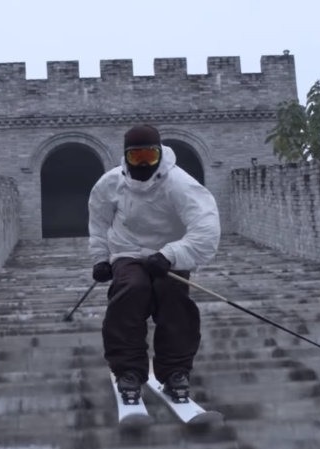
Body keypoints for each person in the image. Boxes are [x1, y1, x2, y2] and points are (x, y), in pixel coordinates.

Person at [86, 124, 221, 404]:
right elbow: (98, 222)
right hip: (128, 251)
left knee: (172, 295)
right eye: (137, 157)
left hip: (169, 254)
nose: (144, 163)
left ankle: (175, 371)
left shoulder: (179, 183)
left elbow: (206, 228)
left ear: (160, 155)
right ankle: (128, 370)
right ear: (126, 157)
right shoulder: (111, 183)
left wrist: (171, 254)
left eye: (150, 156)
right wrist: (100, 258)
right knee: (131, 289)